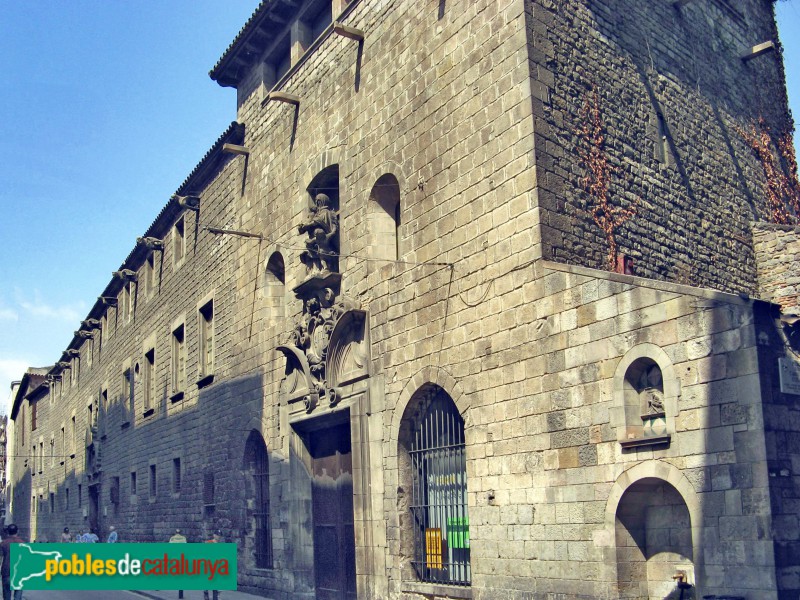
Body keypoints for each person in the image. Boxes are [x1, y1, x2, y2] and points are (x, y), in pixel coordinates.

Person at [1, 524, 25, 600]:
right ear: (17, 531)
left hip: (6, 572)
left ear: (8, 532)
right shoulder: (22, 543)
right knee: (18, 597)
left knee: (6, 596)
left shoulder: (3, 543)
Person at [203, 530, 222, 600]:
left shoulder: (220, 545)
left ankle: (216, 596)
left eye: (220, 535)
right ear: (214, 535)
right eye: (217, 535)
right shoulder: (208, 543)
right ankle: (206, 592)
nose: (219, 536)